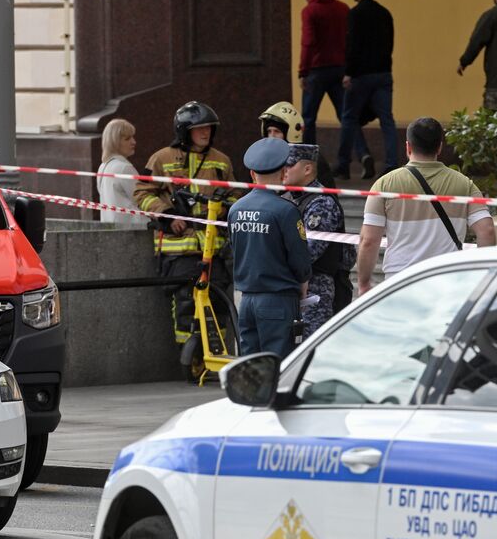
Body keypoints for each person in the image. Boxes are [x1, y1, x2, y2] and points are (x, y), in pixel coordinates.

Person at [134, 101, 238, 356]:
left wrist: (225, 209)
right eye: (199, 128)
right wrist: (168, 216)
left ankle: (216, 350)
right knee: (185, 301)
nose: (206, 133)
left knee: (218, 302)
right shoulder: (162, 159)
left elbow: (235, 195)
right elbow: (142, 192)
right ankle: (189, 353)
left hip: (213, 248)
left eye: (209, 129)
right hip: (179, 249)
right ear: (184, 130)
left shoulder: (221, 161)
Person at [357, 117, 496, 294]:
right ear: (439, 147)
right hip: (448, 279)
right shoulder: (465, 185)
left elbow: (369, 240)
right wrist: (481, 276)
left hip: (400, 280)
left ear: (408, 147)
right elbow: (487, 231)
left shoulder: (384, 185)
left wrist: (363, 283)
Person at [230, 137, 312, 357]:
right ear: (284, 172)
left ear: (252, 174)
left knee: (250, 366)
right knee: (278, 365)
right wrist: (303, 280)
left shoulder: (235, 209)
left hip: (246, 299)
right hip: (278, 299)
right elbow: (299, 257)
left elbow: (235, 250)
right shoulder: (285, 210)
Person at [283, 143, 356, 335]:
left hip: (316, 291)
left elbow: (308, 252)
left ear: (307, 169)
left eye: (290, 165)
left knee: (310, 352)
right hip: (295, 287)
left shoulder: (321, 202)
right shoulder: (292, 198)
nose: (284, 170)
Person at [338, 0, 399, 180]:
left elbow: (352, 46)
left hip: (361, 76)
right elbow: (390, 43)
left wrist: (349, 73)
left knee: (349, 118)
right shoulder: (385, 13)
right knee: (387, 120)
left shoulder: (355, 14)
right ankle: (392, 163)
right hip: (383, 73)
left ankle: (344, 164)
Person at [298, 0, 350, 146]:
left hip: (317, 71)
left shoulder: (309, 11)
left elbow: (308, 43)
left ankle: (309, 158)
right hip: (340, 68)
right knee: (346, 116)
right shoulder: (343, 8)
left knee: (309, 118)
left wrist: (303, 72)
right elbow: (350, 40)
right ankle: (362, 154)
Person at [260, 100, 336, 189]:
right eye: (269, 131)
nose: (272, 136)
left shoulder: (310, 159)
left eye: (277, 131)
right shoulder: (262, 158)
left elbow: (328, 195)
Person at [96, 118, 138, 227]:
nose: (134, 142)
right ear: (115, 142)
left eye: (133, 137)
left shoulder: (103, 166)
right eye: (127, 138)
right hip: (133, 232)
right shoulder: (124, 168)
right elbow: (142, 200)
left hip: (110, 229)